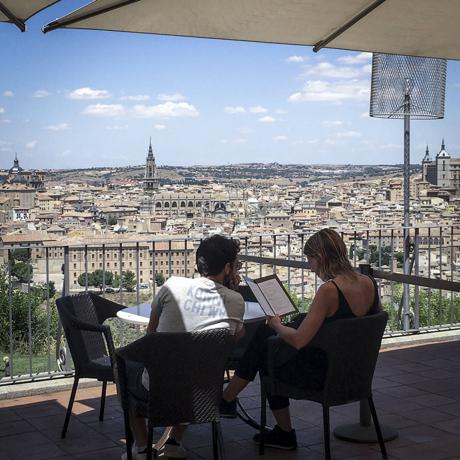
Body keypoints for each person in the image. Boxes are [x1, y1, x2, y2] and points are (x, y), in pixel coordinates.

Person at [221, 228, 381, 450]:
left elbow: (299, 341)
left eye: (310, 260)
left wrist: (276, 324)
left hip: (323, 375)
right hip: (354, 372)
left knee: (265, 349)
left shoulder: (329, 290)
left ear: (321, 258)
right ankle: (230, 402)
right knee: (266, 343)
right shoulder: (368, 282)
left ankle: (230, 401)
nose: (310, 266)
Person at [122, 235, 245, 460]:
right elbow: (231, 341)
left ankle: (141, 447)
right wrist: (231, 291)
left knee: (121, 368)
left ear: (199, 263)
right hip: (204, 390)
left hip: (158, 387)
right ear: (228, 267)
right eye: (236, 265)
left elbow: (152, 332)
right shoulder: (236, 301)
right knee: (195, 367)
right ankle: (173, 442)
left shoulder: (172, 285)